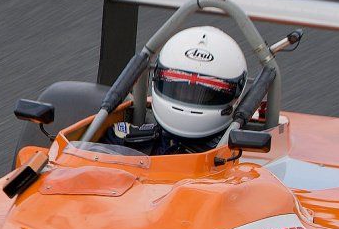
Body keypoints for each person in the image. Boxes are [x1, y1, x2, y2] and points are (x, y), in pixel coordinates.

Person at [107, 26, 250, 155]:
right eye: (180, 89)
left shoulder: (243, 157)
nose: (189, 98)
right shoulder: (126, 139)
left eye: (205, 93)